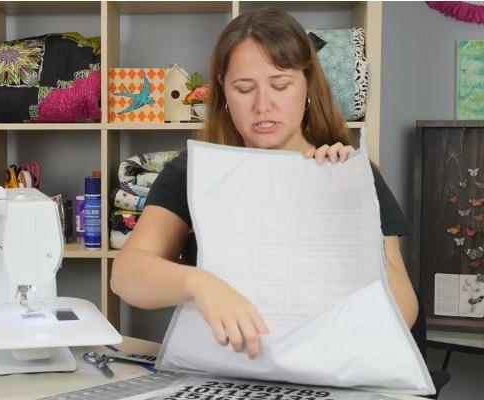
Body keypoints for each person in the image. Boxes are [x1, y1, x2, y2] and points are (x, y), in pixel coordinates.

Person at [112, 8, 417, 360]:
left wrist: (349, 204)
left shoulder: (352, 176)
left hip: (334, 368)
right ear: (224, 93)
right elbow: (126, 276)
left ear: (307, 87)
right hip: (230, 370)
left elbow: (403, 310)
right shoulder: (194, 172)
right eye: (244, 89)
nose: (262, 105)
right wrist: (198, 283)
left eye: (280, 85)